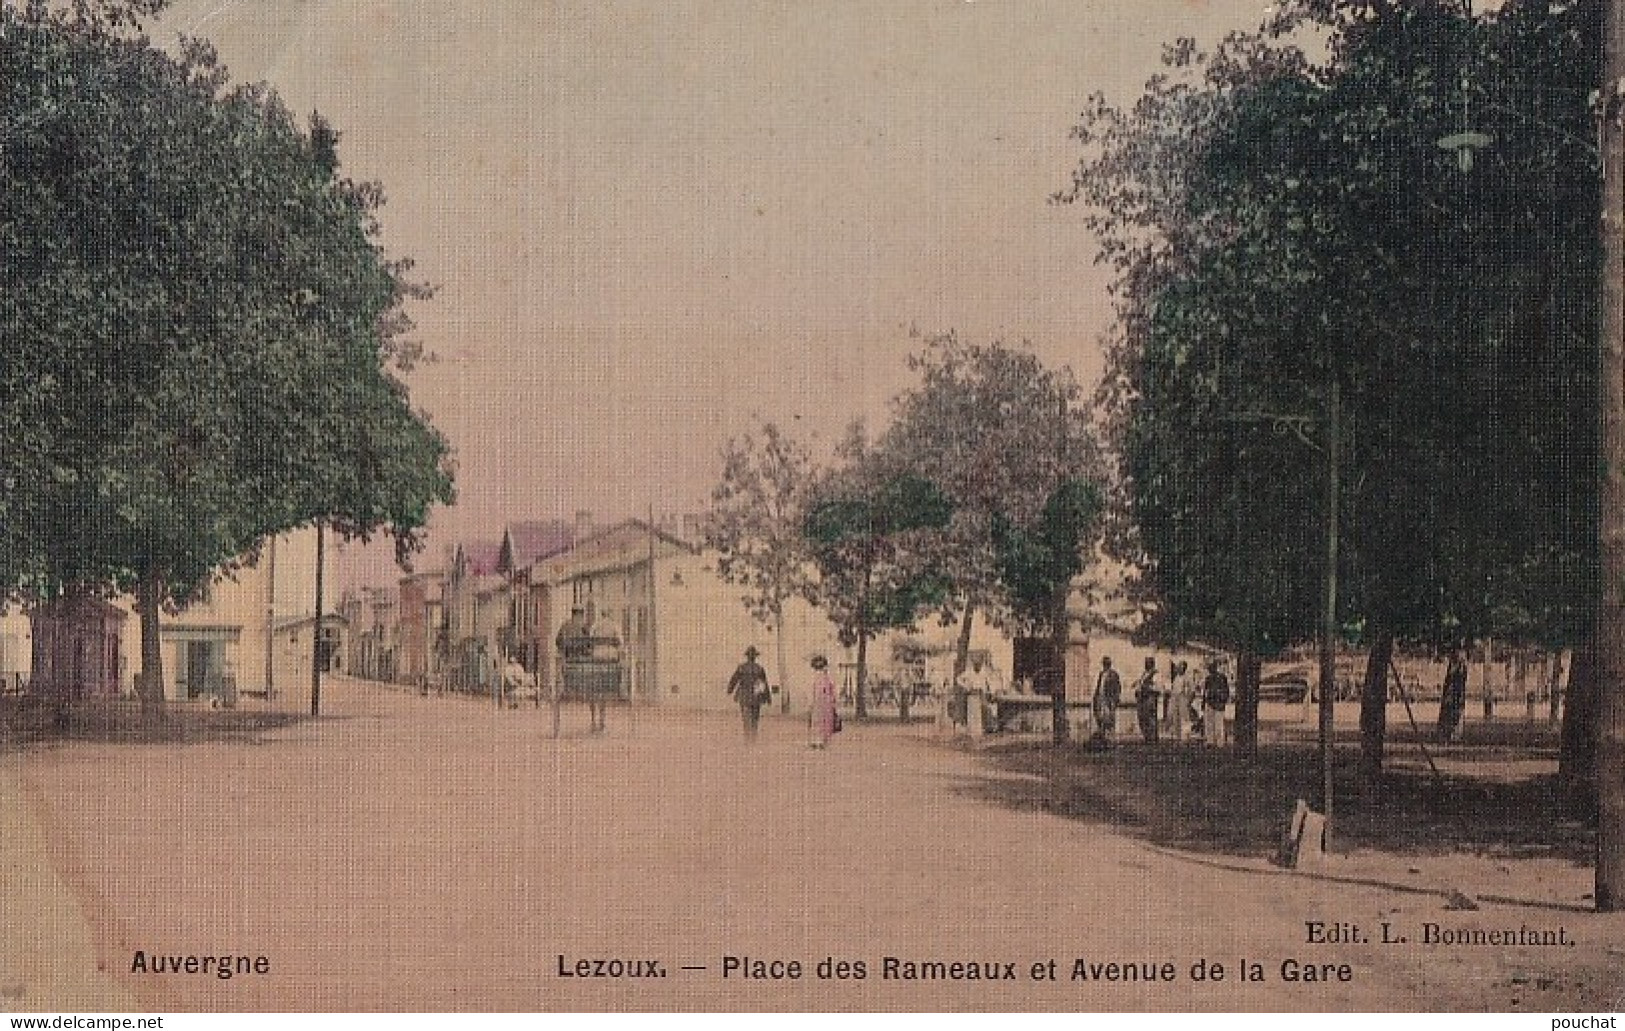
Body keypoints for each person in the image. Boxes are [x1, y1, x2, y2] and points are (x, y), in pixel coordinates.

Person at [727, 645, 770, 741]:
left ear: (747, 656)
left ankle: (748, 738)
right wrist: (767, 697)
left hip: (744, 696)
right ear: (755, 657)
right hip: (756, 696)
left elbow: (734, 680)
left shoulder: (741, 667)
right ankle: (753, 738)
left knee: (746, 719)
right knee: (755, 719)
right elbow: (764, 684)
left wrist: (730, 690)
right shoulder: (759, 668)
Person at [807, 654, 838, 748]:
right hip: (820, 701)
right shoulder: (817, 677)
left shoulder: (827, 677)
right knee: (819, 721)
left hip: (824, 702)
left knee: (823, 721)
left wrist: (833, 701)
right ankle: (817, 740)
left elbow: (832, 689)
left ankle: (821, 741)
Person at [1437, 649, 1467, 742]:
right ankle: (1448, 734)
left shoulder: (1460, 670)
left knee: (1454, 714)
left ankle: (1453, 734)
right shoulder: (1454, 670)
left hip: (1456, 695)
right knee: (1449, 714)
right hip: (1452, 695)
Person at [1092, 656, 1121, 745]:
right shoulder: (1101, 674)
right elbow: (1099, 687)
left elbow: (1117, 688)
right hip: (1100, 699)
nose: (1105, 665)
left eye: (1106, 663)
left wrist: (1114, 700)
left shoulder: (1113, 674)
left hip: (1109, 701)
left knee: (1109, 720)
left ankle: (1111, 740)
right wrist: (1096, 697)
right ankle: (1103, 739)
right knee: (1100, 719)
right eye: (1104, 663)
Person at [1202, 657, 1230, 748]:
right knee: (1209, 723)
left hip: (1218, 703)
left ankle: (1220, 742)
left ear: (1215, 667)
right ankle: (1210, 741)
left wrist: (1223, 701)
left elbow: (1226, 691)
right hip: (1210, 702)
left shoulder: (1222, 677)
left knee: (1218, 723)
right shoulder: (1208, 678)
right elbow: (1205, 691)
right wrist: (1204, 702)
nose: (1210, 669)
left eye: (1211, 667)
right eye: (1209, 668)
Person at [1165, 659, 1194, 742]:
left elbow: (1192, 691)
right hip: (1175, 698)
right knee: (1175, 717)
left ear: (1184, 668)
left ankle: (1185, 737)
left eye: (1180, 666)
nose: (1178, 668)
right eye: (1178, 666)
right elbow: (1173, 689)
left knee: (1184, 718)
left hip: (1183, 698)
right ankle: (1177, 736)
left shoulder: (1188, 678)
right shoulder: (1176, 678)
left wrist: (1189, 701)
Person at [1134, 656, 1161, 743]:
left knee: (1150, 717)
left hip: (1150, 698)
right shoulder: (1144, 673)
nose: (1146, 664)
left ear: (1152, 664)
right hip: (1142, 698)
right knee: (1142, 717)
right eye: (1145, 662)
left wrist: (1147, 687)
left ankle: (1152, 737)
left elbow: (1158, 688)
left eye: (1148, 662)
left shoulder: (1156, 674)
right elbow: (1140, 683)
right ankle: (1146, 736)